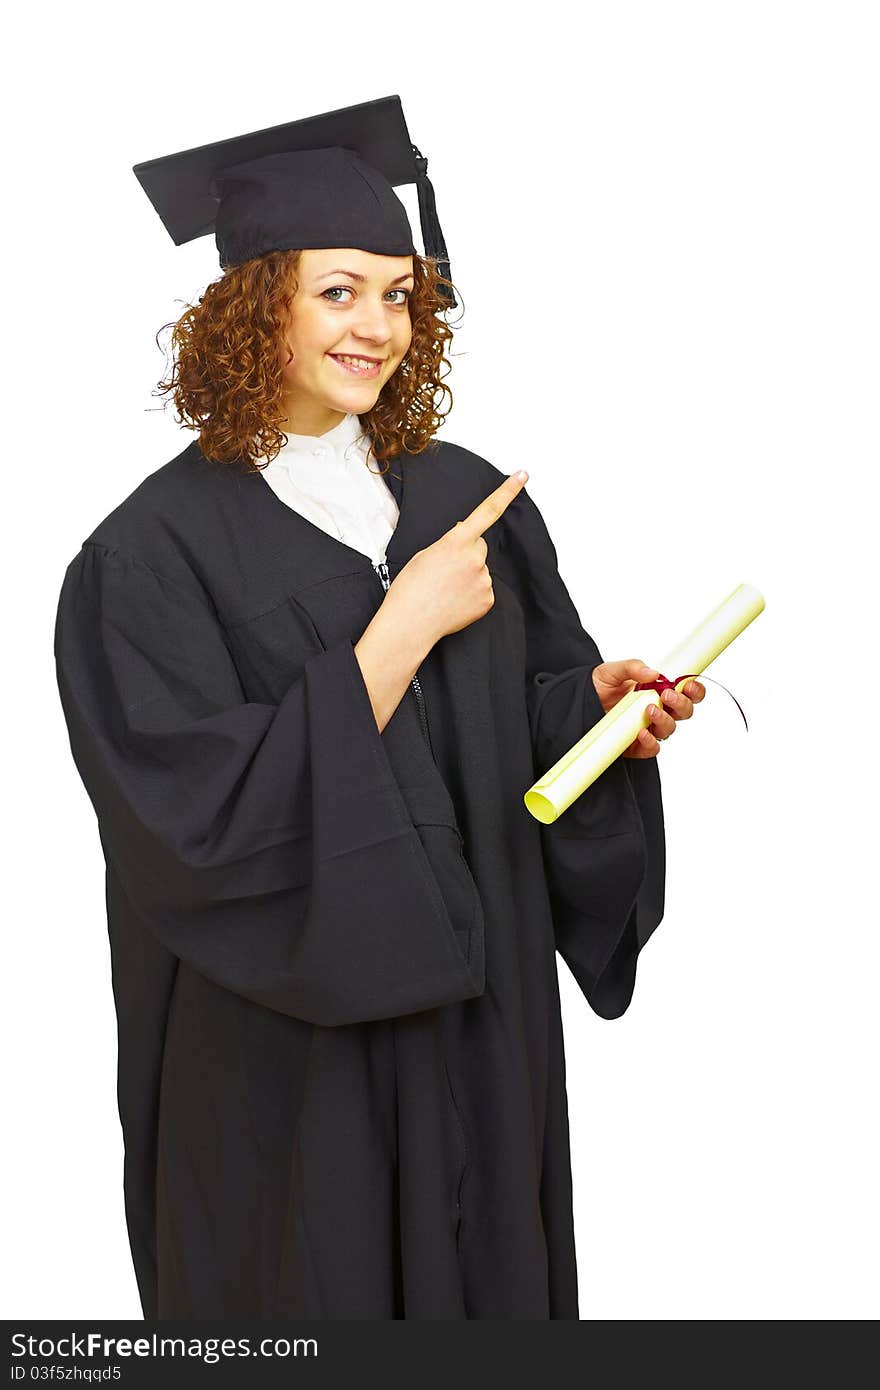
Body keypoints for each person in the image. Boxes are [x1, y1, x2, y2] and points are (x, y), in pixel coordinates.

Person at [53, 95, 704, 1320]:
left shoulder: (464, 497)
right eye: (339, 291)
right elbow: (189, 829)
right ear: (257, 304)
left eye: (400, 294)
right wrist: (399, 627)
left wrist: (595, 713)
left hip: (479, 1018)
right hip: (296, 1062)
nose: (379, 326)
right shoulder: (146, 554)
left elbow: (502, 735)